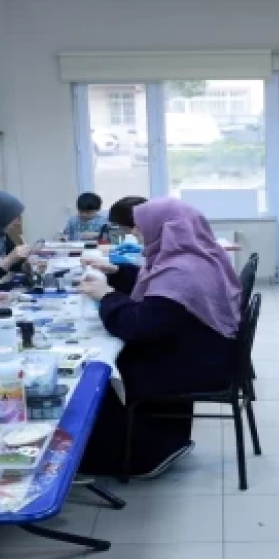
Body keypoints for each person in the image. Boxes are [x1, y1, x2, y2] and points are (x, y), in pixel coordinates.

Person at [77, 198, 241, 478]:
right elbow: (154, 291)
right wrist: (117, 273)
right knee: (110, 358)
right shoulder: (195, 256)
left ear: (167, 229)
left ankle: (142, 457)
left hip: (194, 365)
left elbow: (138, 326)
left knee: (96, 374)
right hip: (204, 353)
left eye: (140, 228)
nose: (137, 234)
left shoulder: (181, 272)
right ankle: (162, 442)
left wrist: (106, 295)